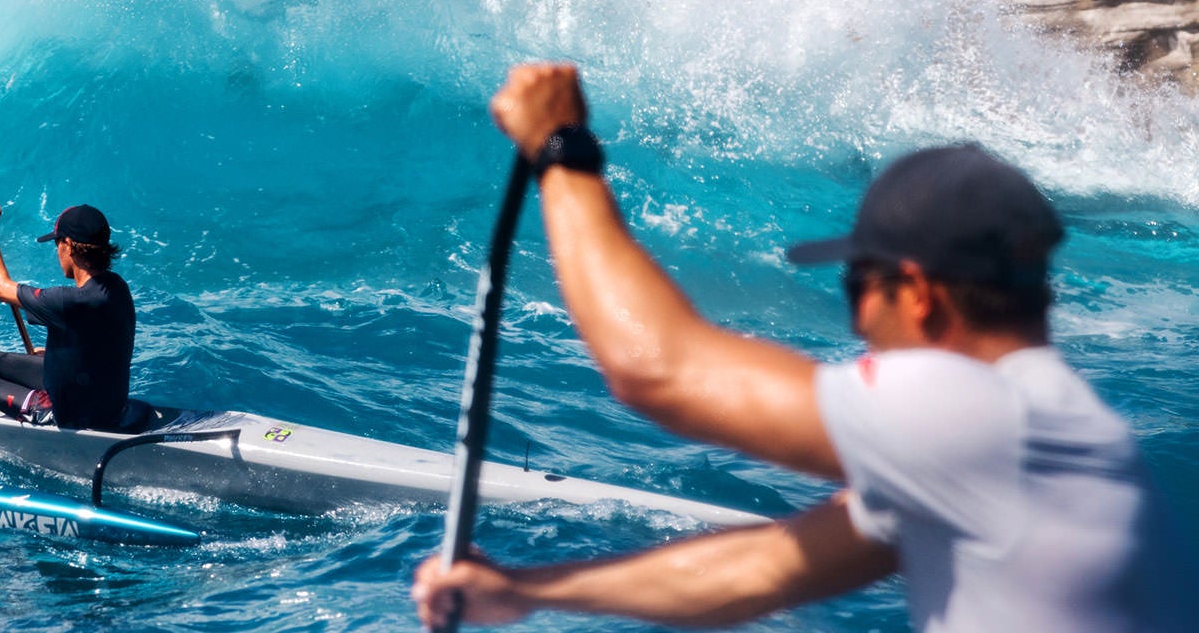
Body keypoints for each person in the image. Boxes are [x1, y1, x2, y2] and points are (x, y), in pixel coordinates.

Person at [412, 62, 1187, 630]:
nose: (853, 327)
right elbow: (758, 570)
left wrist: (562, 150)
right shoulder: (1033, 443)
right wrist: (527, 591)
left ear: (918, 294)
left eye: (857, 292)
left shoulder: (987, 418)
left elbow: (658, 370)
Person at [0, 201, 136, 431]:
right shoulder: (116, 287)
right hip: (99, 397)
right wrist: (59, 357)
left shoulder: (70, 301)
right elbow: (97, 341)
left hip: (72, 415)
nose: (57, 251)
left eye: (57, 243)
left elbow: (1, 289)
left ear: (69, 246)